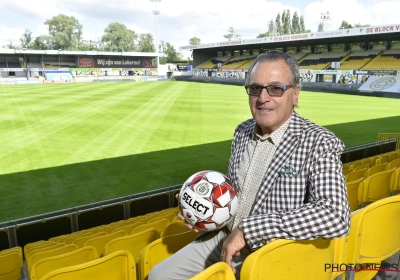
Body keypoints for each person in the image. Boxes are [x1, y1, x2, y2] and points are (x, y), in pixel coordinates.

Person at [149, 50, 351, 280]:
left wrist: (249, 229)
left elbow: (336, 216)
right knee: (159, 275)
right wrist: (203, 209)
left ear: (295, 94)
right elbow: (233, 192)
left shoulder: (319, 142)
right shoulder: (242, 131)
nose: (263, 98)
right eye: (255, 88)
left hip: (271, 250)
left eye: (276, 88)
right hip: (224, 235)